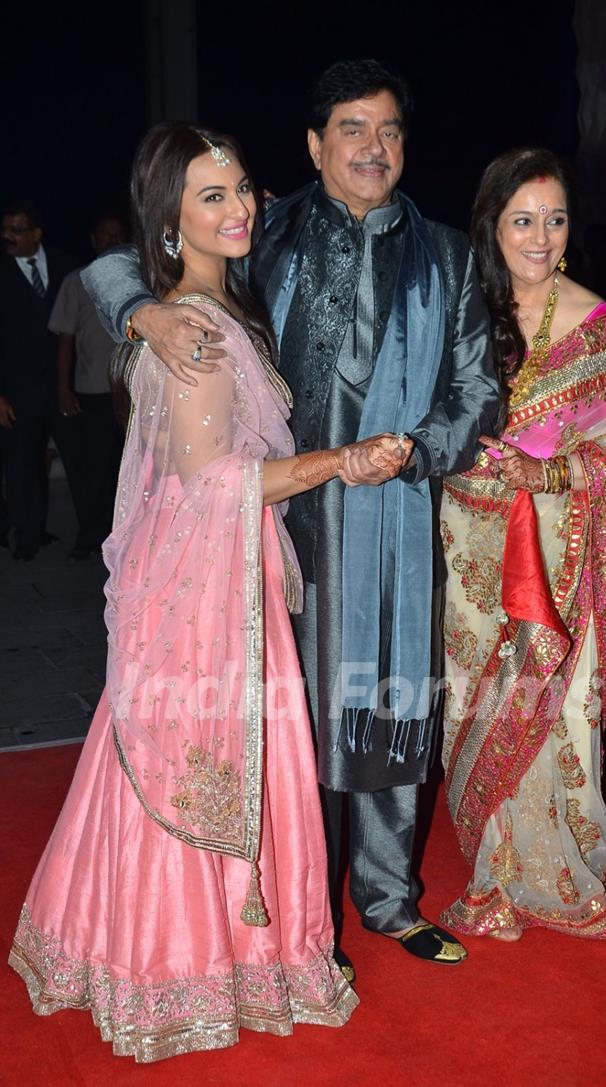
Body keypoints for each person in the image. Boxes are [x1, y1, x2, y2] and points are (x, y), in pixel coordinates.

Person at [4, 121, 431, 1061]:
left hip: (229, 570)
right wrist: (341, 462)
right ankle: (185, 963)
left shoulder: (236, 285)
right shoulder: (193, 327)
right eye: (211, 194)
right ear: (171, 220)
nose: (239, 206)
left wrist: (152, 305)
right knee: (211, 753)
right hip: (211, 584)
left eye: (241, 187)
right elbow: (211, 480)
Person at [81, 58, 501, 974]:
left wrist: (418, 453)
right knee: (285, 723)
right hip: (278, 527)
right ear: (315, 145)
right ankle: (298, 916)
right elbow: (114, 261)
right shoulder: (263, 232)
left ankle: (387, 900)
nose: (373, 147)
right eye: (352, 129)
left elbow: (477, 390)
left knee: (388, 705)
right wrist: (145, 312)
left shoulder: (448, 254)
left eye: (388, 130)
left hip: (391, 524)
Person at [439, 148, 606, 941]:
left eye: (556, 218)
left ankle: (557, 871)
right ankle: (496, 871)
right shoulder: (458, 311)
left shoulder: (603, 327)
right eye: (523, 220)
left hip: (560, 556)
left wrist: (559, 472)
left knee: (556, 708)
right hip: (469, 550)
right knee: (480, 700)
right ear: (492, 226)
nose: (541, 237)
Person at [0, 200, 78, 559]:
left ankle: (92, 535)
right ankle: (27, 538)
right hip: (16, 391)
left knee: (80, 460)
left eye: (16, 230)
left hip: (64, 385)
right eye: (5, 230)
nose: (7, 237)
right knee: (22, 466)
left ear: (36, 233)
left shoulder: (66, 265)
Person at [49, 212, 129, 559]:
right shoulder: (76, 280)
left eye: (116, 234)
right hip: (92, 389)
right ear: (94, 239)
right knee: (92, 468)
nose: (110, 240)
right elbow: (65, 339)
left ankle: (127, 538)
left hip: (131, 392)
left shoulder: (136, 276)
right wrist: (63, 387)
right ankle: (90, 535)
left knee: (128, 468)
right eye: (104, 234)